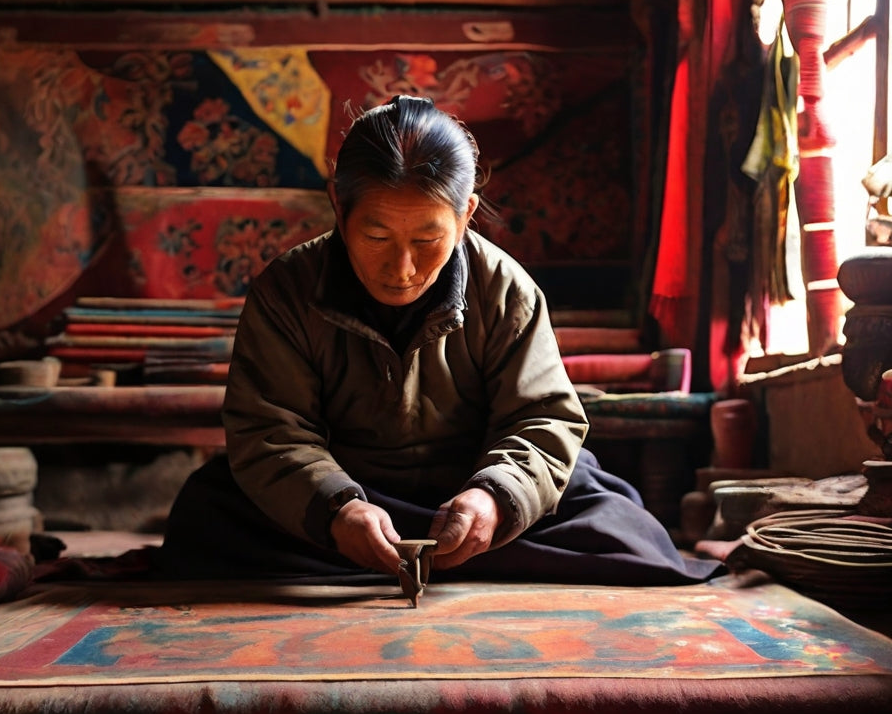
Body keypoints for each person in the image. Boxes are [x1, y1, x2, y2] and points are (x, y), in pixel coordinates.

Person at [157, 95, 723, 586]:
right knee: (205, 518)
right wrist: (336, 508)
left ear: (466, 214)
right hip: (342, 489)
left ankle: (450, 546)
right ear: (339, 206)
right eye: (376, 235)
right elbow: (268, 431)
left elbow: (544, 420)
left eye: (429, 239)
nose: (401, 267)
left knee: (623, 527)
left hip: (469, 489)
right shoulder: (287, 290)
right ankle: (380, 549)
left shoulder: (505, 289)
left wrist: (494, 498)